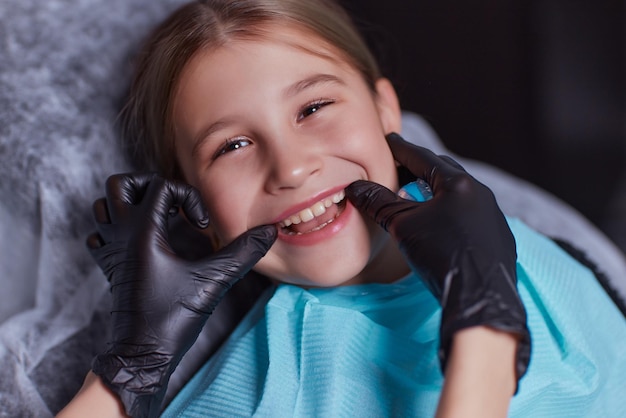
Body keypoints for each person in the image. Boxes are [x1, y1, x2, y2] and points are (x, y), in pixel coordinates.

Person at [57, 0, 626, 417]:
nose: (291, 168)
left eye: (313, 107)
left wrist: (486, 330)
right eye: (231, 146)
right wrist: (127, 375)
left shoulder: (539, 284)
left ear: (385, 110)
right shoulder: (257, 369)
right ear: (191, 201)